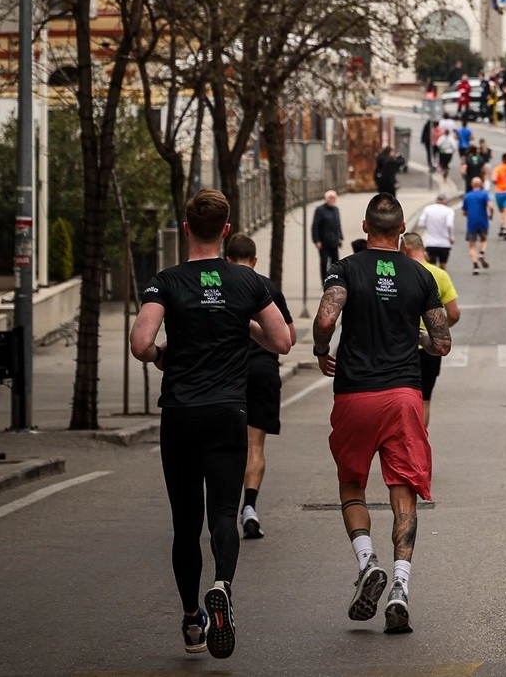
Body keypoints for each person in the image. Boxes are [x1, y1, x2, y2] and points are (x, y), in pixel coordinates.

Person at [130, 190, 292, 659]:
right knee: (224, 513)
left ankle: (190, 620)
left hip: (180, 412)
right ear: (226, 231)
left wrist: (163, 355)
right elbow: (281, 341)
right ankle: (221, 585)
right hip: (227, 411)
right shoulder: (247, 281)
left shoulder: (166, 281)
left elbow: (142, 343)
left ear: (186, 229)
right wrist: (245, 325)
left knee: (185, 524)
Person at [313, 193, 452, 635]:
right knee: (403, 487)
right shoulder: (420, 274)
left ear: (365, 225)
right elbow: (441, 342)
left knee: (351, 483)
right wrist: (418, 339)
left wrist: (321, 349)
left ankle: (366, 560)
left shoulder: (346, 268)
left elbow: (324, 318)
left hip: (355, 393)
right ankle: (399, 588)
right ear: (401, 228)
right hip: (404, 396)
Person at [223, 234, 297, 542]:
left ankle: (223, 512)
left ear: (227, 260)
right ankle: (249, 507)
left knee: (227, 448)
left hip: (230, 372)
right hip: (264, 370)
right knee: (255, 446)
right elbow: (288, 336)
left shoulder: (220, 288)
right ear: (254, 260)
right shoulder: (268, 287)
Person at [401, 232, 460, 427]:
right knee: (424, 399)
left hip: (401, 345)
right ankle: (420, 440)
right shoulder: (439, 275)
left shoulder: (399, 272)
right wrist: (439, 329)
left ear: (407, 248)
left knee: (399, 397)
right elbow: (454, 313)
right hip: (430, 348)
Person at [462, 176, 494, 274]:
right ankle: (482, 253)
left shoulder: (467, 196)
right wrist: (491, 215)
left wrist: (468, 214)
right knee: (483, 240)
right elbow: (491, 206)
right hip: (483, 221)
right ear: (481, 184)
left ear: (472, 185)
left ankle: (475, 266)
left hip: (471, 223)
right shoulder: (484, 195)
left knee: (472, 246)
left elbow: (464, 212)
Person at [415, 192, 456, 268]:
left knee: (431, 267)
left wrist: (429, 226)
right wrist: (451, 237)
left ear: (436, 200)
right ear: (445, 201)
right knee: (443, 265)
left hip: (431, 243)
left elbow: (421, 224)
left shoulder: (428, 209)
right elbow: (449, 224)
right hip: (444, 243)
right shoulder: (449, 211)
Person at [312, 190, 344, 283]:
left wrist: (340, 237)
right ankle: (324, 281)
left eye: (334, 198)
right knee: (324, 262)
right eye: (330, 198)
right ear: (326, 199)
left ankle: (334, 279)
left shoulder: (336, 209)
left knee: (335, 263)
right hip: (323, 241)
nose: (332, 200)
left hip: (334, 241)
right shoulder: (320, 210)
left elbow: (338, 224)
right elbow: (315, 226)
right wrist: (316, 240)